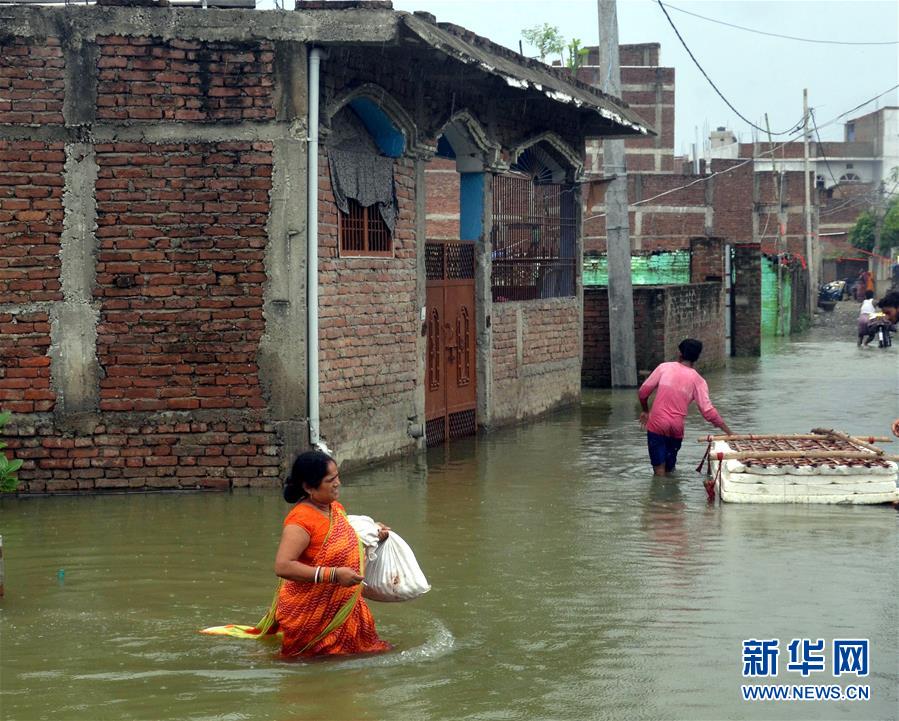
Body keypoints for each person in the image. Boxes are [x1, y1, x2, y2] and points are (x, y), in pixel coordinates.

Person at [272, 450, 392, 657]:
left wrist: (374, 534)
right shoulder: (300, 521)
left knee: (361, 660)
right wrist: (335, 575)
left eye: (337, 477)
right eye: (330, 480)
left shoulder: (334, 508)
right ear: (308, 487)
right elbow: (283, 566)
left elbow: (342, 540)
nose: (338, 483)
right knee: (320, 663)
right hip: (312, 617)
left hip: (344, 607)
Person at [638, 339, 732, 477]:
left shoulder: (664, 368)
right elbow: (708, 412)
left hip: (657, 424)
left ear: (680, 354)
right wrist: (728, 431)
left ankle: (659, 490)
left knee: (659, 471)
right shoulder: (698, 381)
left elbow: (643, 392)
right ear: (696, 358)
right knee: (670, 469)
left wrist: (645, 410)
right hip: (677, 428)